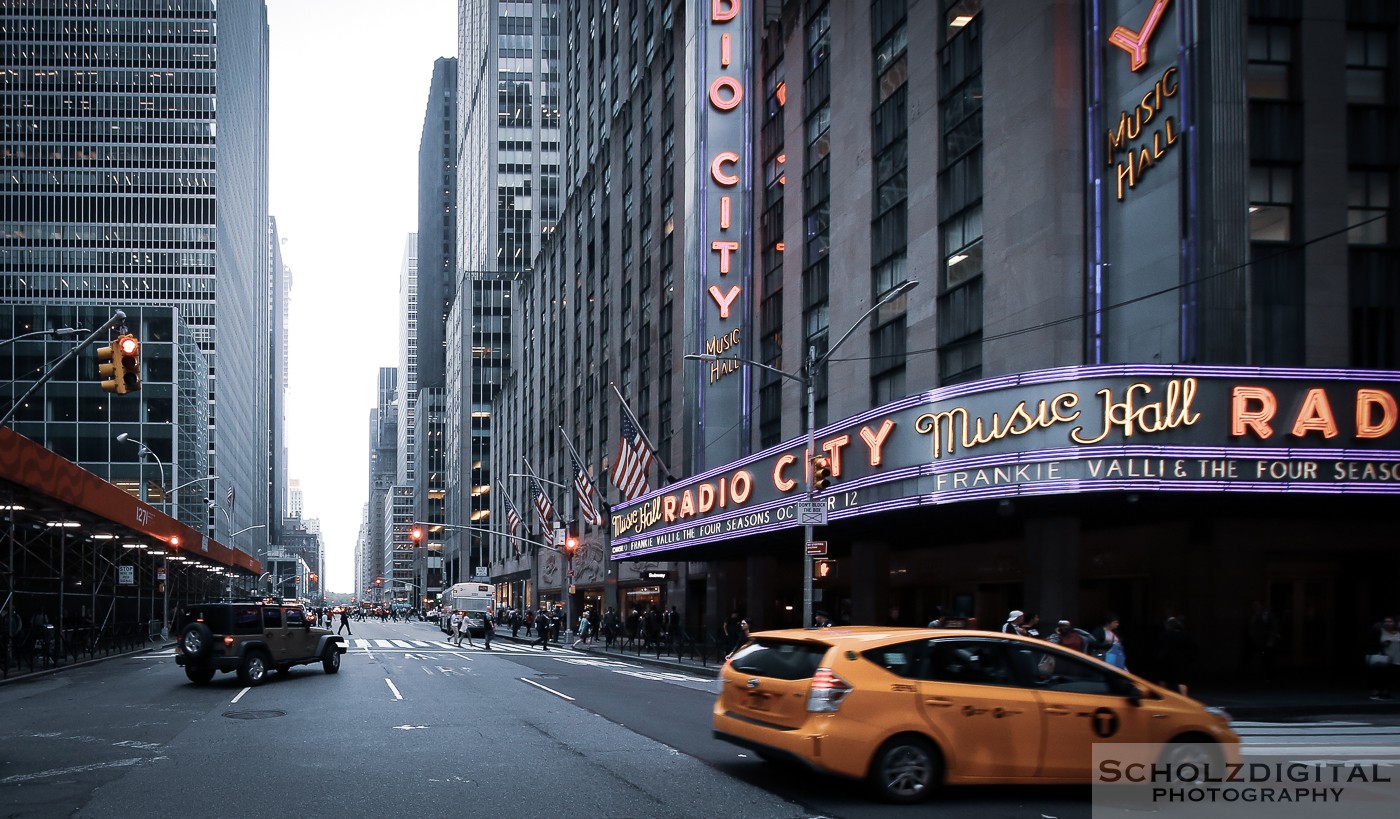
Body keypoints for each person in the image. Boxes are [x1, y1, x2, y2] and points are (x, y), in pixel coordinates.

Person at [1157, 616, 1195, 695]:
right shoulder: (1185, 635)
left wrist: (1160, 659)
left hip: (1167, 662)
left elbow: (1163, 648)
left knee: (1163, 680)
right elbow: (1192, 648)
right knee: (1182, 681)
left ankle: (1162, 697)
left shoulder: (1166, 634)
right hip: (1181, 661)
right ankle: (1184, 698)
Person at [1367, 616, 1400, 700]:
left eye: (1390, 621)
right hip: (1384, 656)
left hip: (1396, 657)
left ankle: (1386, 691)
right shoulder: (1379, 631)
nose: (1388, 623)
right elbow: (1372, 643)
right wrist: (1382, 644)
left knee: (1391, 675)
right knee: (1380, 674)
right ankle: (1376, 691)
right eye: (1386, 621)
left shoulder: (1398, 632)